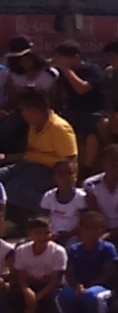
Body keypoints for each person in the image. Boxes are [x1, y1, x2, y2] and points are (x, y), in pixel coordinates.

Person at [0, 91, 79, 221]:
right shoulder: (34, 125)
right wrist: (6, 158)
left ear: (34, 111)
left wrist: (65, 184)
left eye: (23, 111)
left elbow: (70, 160)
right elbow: (31, 153)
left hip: (52, 171)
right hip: (30, 165)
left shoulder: (60, 128)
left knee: (13, 189)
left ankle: (52, 211)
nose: (22, 114)